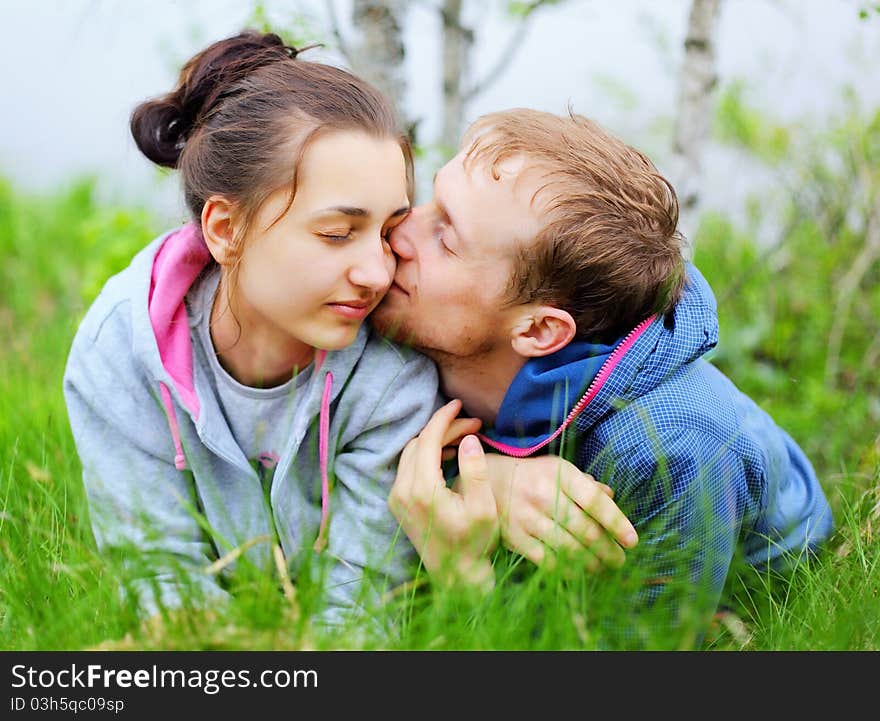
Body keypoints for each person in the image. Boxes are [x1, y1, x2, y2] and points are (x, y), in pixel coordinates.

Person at [375, 108, 834, 646]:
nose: (399, 230)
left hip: (740, 596)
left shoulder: (672, 452)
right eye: (432, 202)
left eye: (447, 238)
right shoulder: (428, 321)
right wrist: (489, 478)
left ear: (541, 329)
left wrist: (463, 581)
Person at [62, 30, 444, 629]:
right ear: (225, 228)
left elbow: (362, 608)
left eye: (389, 231)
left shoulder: (393, 381)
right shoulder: (120, 349)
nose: (376, 273)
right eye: (337, 233)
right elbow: (162, 580)